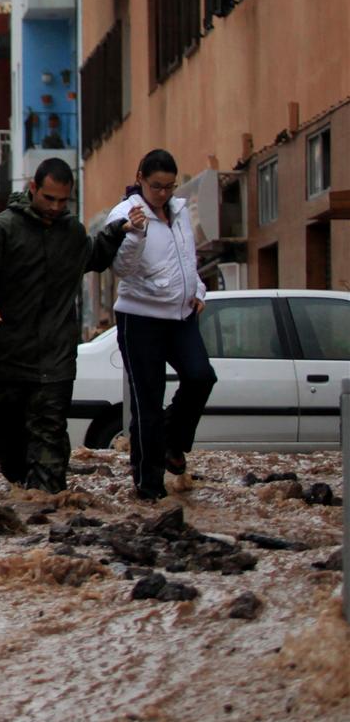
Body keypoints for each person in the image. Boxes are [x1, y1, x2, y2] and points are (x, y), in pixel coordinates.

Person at [0, 157, 127, 493]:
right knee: (8, 447)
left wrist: (117, 231)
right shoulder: (3, 229)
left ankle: (47, 517)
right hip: (7, 357)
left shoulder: (72, 232)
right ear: (33, 188)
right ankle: (23, 500)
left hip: (55, 359)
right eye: (49, 198)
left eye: (63, 201)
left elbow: (93, 255)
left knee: (49, 443)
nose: (55, 207)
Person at [104, 148, 215, 500]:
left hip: (180, 315)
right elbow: (123, 268)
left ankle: (171, 443)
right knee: (147, 402)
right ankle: (148, 484)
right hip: (141, 319)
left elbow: (187, 258)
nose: (164, 194)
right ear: (141, 179)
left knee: (200, 376)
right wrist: (134, 233)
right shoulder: (125, 214)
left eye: (170, 186)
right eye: (157, 187)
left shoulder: (180, 211)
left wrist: (198, 289)